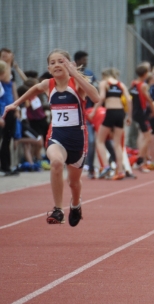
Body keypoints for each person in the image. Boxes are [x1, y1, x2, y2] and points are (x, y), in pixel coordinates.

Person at [3, 50, 100, 224]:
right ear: (48, 68)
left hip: (77, 139)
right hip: (57, 136)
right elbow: (34, 88)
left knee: (74, 183)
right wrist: (15, 104)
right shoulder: (48, 84)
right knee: (56, 162)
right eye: (52, 63)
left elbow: (96, 97)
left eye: (61, 61)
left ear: (70, 64)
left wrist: (76, 74)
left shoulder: (77, 83)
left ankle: (76, 204)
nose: (56, 65)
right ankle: (58, 210)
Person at [91, 68, 131, 180]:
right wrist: (129, 116)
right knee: (117, 144)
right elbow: (128, 100)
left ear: (104, 75)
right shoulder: (120, 84)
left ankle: (106, 166)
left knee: (100, 140)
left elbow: (102, 97)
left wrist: (94, 111)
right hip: (120, 113)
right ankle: (120, 171)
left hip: (110, 112)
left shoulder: (104, 83)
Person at [129, 63, 154, 172]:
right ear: (145, 74)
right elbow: (148, 99)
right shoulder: (143, 85)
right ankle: (139, 160)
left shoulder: (133, 83)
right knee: (148, 137)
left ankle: (143, 159)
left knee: (143, 136)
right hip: (141, 113)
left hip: (136, 112)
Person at [0, 61, 18, 176]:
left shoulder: (7, 84)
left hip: (7, 112)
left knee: (6, 140)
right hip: (2, 114)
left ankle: (6, 166)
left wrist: (17, 109)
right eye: (6, 72)